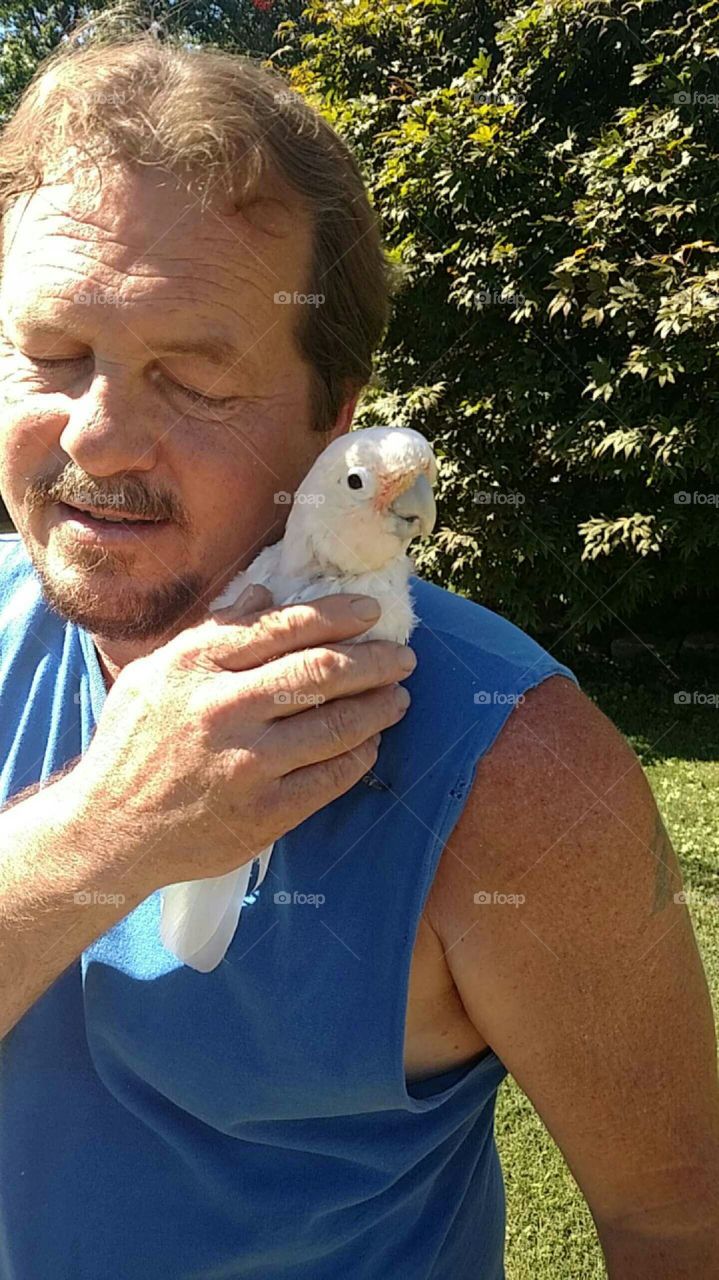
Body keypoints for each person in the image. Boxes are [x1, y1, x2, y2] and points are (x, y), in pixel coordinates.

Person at [0, 20, 717, 1280]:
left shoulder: (514, 774)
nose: (99, 436)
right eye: (54, 354)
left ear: (334, 421)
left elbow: (678, 1218)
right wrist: (101, 835)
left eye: (192, 378)